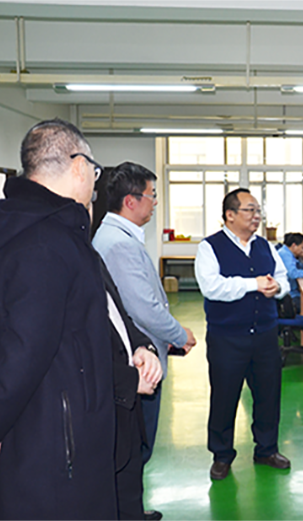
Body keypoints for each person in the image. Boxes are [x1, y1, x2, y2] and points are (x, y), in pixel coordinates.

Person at [0, 118, 117, 520]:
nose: (94, 183)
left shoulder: (2, 229)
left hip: (21, 433)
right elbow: (26, 351)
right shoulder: (49, 242)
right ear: (79, 166)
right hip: (58, 447)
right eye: (94, 172)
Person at [93, 162, 196, 474]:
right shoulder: (120, 244)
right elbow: (143, 308)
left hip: (135, 357)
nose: (155, 203)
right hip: (137, 363)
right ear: (130, 201)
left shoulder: (115, 236)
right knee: (137, 448)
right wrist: (179, 334)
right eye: (152, 195)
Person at [195, 188, 291, 481]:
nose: (256, 216)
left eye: (258, 211)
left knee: (268, 395)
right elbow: (212, 287)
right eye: (250, 210)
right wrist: (254, 284)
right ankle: (222, 455)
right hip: (227, 338)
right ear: (230, 215)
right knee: (225, 397)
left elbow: (283, 278)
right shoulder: (210, 247)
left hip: (265, 335)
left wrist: (277, 288)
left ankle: (267, 449)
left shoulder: (265, 246)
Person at [99, 257, 163, 521]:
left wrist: (142, 346)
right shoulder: (48, 263)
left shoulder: (91, 257)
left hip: (124, 413)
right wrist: (129, 380)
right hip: (99, 409)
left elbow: (119, 317)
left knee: (128, 490)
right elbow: (66, 356)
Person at [277, 232, 303, 310]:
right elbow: (293, 274)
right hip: (290, 295)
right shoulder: (285, 254)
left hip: (293, 292)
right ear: (294, 246)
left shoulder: (289, 253)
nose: (302, 251)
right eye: (302, 247)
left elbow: (299, 269)